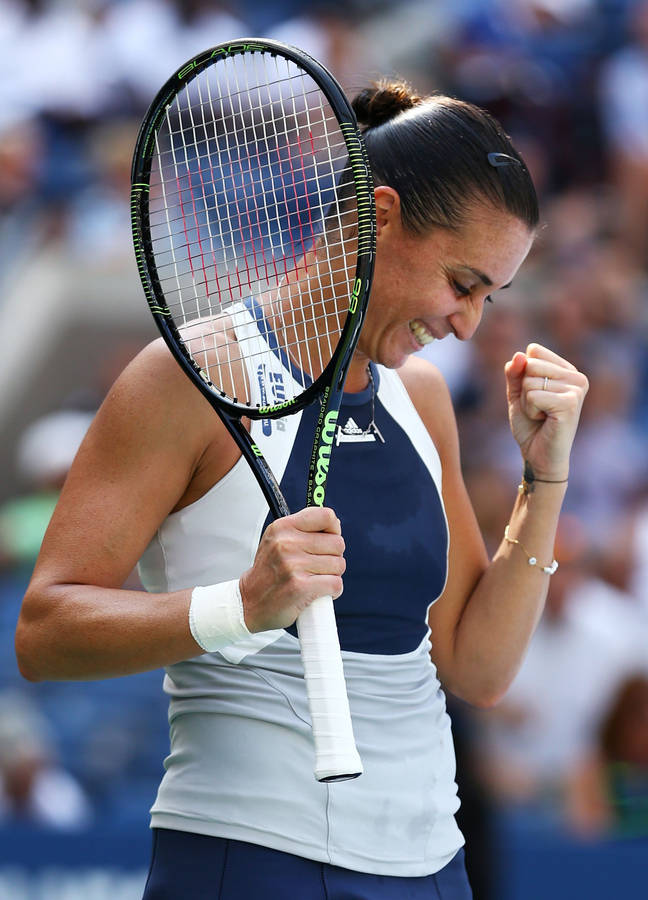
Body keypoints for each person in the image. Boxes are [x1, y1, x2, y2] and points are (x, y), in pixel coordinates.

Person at [15, 81, 589, 899]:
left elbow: (478, 668)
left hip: (431, 866)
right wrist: (241, 605)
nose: (468, 323)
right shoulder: (193, 375)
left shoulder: (420, 397)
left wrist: (545, 479)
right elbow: (44, 629)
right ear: (379, 216)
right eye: (463, 284)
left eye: (488, 297)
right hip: (248, 858)